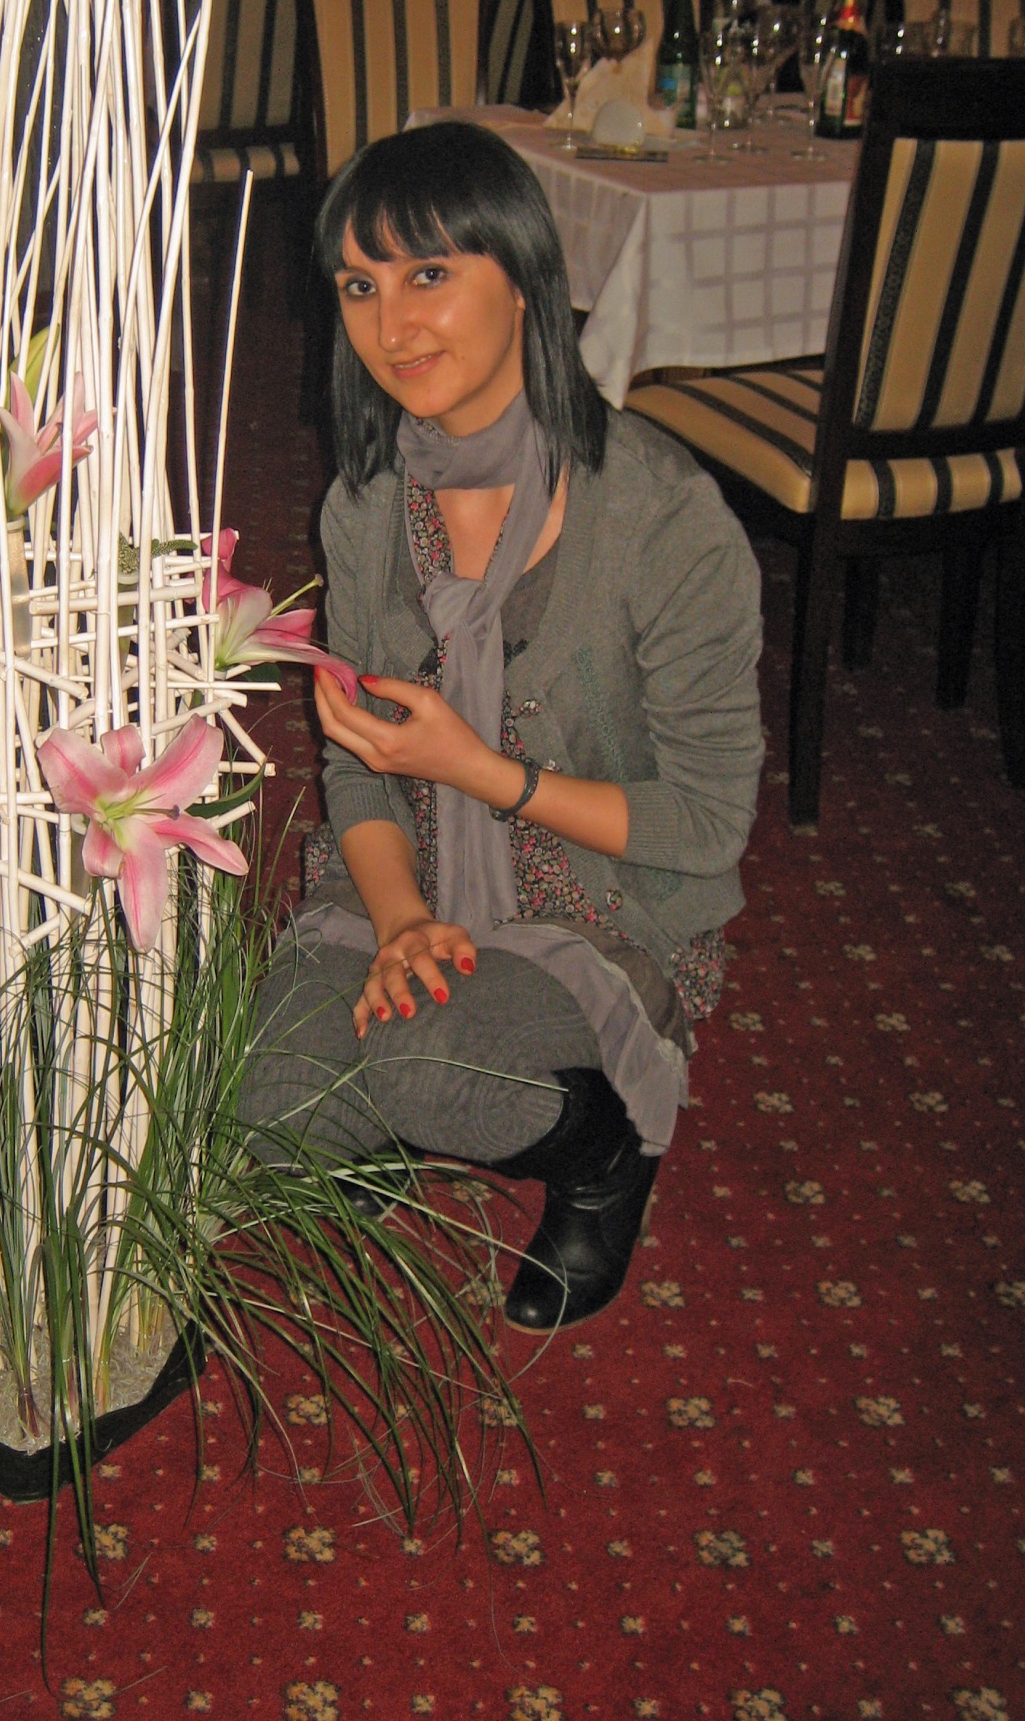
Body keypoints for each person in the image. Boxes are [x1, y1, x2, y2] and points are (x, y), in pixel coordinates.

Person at [238, 121, 763, 1332]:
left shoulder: (664, 518)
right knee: (268, 1090)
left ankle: (606, 1156)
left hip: (602, 900)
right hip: (415, 871)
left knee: (435, 1067)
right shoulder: (369, 505)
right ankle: (375, 1115)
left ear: (524, 276)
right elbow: (363, 773)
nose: (392, 324)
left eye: (430, 273)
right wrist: (400, 920)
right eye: (359, 286)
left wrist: (481, 771)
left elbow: (706, 823)